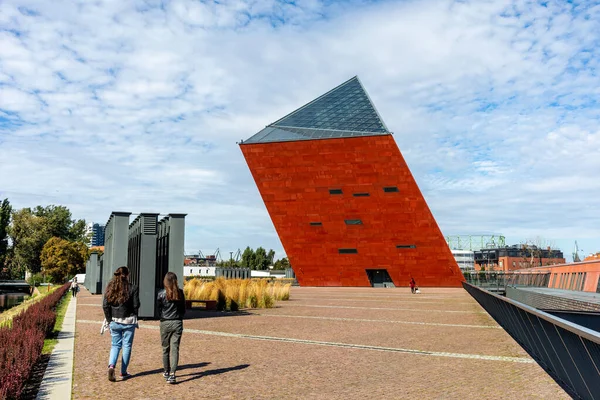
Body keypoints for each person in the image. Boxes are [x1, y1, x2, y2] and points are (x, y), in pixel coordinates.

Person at [102, 266, 140, 382]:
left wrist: (109, 320)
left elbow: (105, 305)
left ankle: (111, 366)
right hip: (129, 321)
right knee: (127, 346)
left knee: (115, 345)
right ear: (127, 275)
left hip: (114, 320)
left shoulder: (110, 287)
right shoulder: (133, 288)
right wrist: (133, 313)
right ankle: (123, 372)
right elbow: (136, 305)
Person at [157, 272, 186, 384]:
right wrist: (179, 317)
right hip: (177, 322)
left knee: (165, 349)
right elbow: (183, 309)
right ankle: (173, 374)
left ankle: (166, 371)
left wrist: (162, 317)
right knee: (175, 349)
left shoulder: (161, 294)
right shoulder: (180, 293)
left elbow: (159, 309)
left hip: (165, 322)